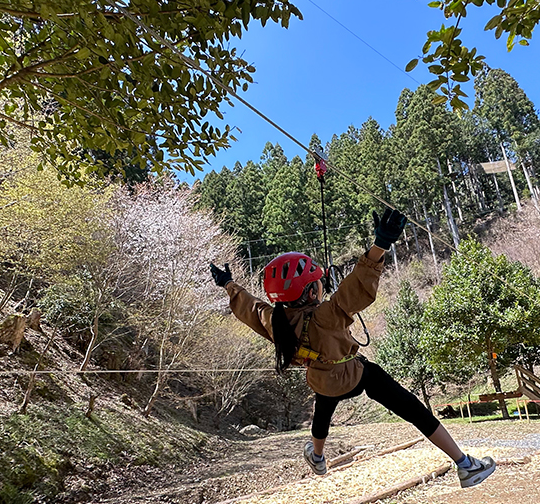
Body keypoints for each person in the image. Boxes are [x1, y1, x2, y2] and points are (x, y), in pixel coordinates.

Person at [209, 208, 495, 488]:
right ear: (310, 292)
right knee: (411, 408)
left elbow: (249, 307)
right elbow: (356, 287)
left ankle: (318, 456)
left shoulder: (275, 321)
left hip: (321, 379)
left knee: (323, 410)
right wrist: (380, 245)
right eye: (316, 284)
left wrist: (228, 284)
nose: (320, 286)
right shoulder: (327, 315)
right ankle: (465, 465)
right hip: (355, 376)